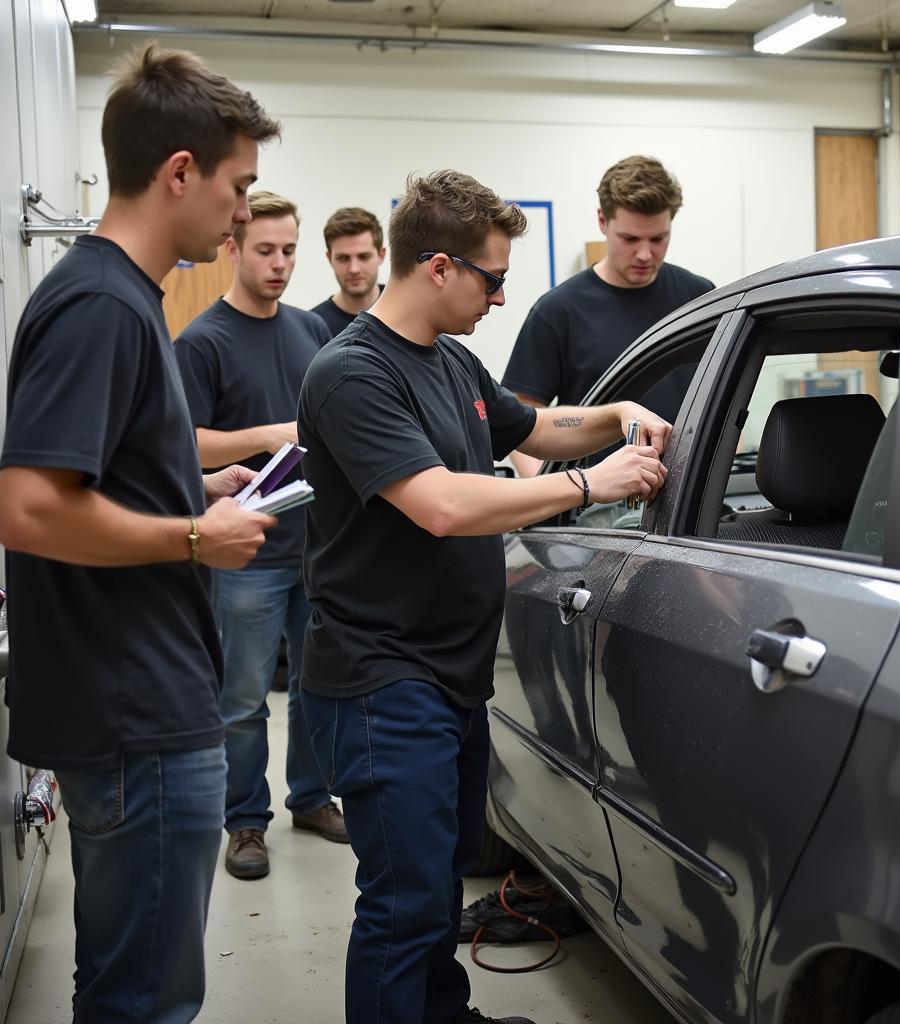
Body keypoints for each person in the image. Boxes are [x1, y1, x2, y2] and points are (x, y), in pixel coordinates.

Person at [297, 168, 671, 1024]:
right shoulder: (351, 374)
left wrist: (613, 415)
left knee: (438, 877)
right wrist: (588, 485)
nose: (502, 297)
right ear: (437, 267)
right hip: (383, 677)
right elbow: (440, 503)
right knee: (402, 899)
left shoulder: (452, 359)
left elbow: (536, 427)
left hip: (449, 674)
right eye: (492, 278)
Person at [0, 45, 279, 1023]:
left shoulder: (115, 300)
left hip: (126, 706)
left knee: (121, 984)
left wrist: (194, 485)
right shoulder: (101, 307)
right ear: (178, 173)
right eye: (237, 187)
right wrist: (195, 538)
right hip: (136, 715)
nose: (243, 213)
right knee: (144, 1001)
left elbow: (95, 476)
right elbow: (29, 505)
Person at [176, 191, 343, 881]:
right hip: (244, 552)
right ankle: (246, 822)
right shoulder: (201, 341)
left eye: (289, 252)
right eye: (265, 251)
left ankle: (309, 797)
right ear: (233, 248)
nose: (279, 265)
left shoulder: (312, 331)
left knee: (314, 686)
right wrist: (271, 434)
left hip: (318, 546)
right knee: (243, 698)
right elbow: (184, 440)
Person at [502, 154, 715, 476]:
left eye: (658, 239)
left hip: (689, 499)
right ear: (603, 221)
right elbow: (521, 416)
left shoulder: (700, 297)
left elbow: (723, 396)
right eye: (630, 239)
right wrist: (550, 497)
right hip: (596, 509)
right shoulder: (558, 310)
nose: (645, 254)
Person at [310, 206, 386, 336]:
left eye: (363, 257)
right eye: (343, 258)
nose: (354, 269)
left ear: (381, 255)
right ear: (330, 259)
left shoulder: (407, 310)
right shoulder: (313, 327)